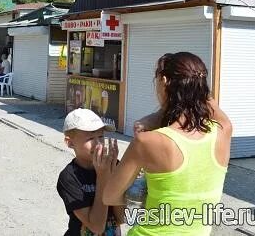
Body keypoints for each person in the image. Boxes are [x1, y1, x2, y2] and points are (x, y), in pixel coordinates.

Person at [103, 52, 232, 235]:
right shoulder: (223, 132)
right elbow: (209, 105)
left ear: (164, 81)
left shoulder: (147, 142)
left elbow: (110, 196)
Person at [57, 108, 124, 235]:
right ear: (70, 142)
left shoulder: (112, 165)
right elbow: (97, 227)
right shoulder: (69, 177)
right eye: (90, 138)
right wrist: (103, 178)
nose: (99, 144)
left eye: (101, 136)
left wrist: (116, 178)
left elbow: (121, 218)